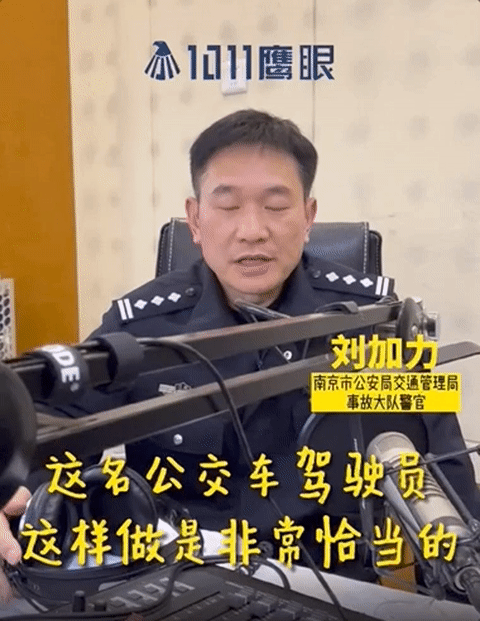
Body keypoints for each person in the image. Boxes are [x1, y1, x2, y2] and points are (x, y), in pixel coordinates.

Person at [1, 109, 479, 602]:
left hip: (333, 589)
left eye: (276, 206)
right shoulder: (142, 326)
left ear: (308, 217)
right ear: (195, 219)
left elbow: (443, 474)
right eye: (227, 206)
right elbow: (53, 433)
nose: (252, 231)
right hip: (180, 583)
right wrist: (8, 504)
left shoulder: (371, 324)